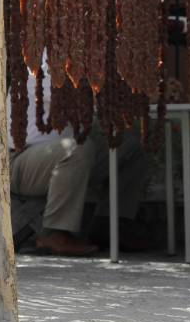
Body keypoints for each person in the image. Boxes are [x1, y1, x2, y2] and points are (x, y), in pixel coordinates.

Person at [10, 60, 152, 256]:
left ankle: (109, 223)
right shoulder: (43, 65)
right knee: (77, 149)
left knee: (130, 147)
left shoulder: (81, 65)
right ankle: (54, 232)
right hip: (19, 161)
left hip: (64, 162)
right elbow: (84, 99)